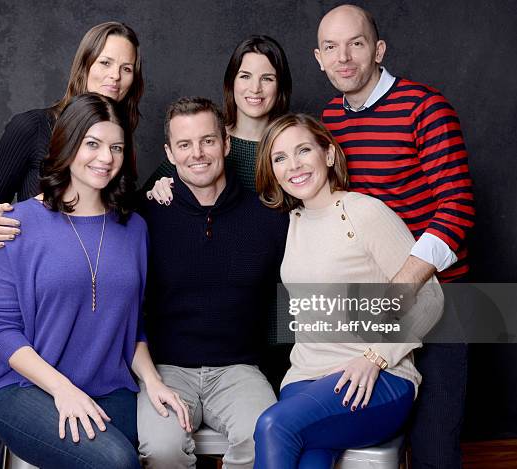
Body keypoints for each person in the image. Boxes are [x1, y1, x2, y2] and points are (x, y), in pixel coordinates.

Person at [0, 22, 144, 469]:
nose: (115, 75)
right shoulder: (31, 129)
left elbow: (119, 237)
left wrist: (165, 188)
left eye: (126, 68)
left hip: (89, 339)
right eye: (105, 63)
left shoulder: (120, 150)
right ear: (83, 64)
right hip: (31, 320)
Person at [0, 93, 188, 469]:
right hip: (27, 390)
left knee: (169, 448)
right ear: (66, 144)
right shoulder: (16, 223)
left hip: (110, 388)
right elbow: (1, 329)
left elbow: (132, 327)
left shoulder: (134, 228)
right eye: (92, 144)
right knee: (115, 461)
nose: (106, 158)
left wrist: (153, 381)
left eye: (116, 147)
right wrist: (63, 390)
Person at [313, 5, 475, 467]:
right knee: (368, 442)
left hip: (440, 301)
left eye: (356, 43)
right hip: (368, 305)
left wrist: (398, 290)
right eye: (331, 47)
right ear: (319, 58)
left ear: (378, 49)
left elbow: (457, 209)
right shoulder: (329, 118)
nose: (344, 57)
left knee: (433, 448)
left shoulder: (426, 107)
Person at [252, 113, 442, 469]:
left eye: (303, 150)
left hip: (377, 380)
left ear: (328, 154)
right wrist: (163, 187)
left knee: (272, 425)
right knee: (309, 460)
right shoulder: (288, 225)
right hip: (305, 380)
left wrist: (375, 357)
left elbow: (431, 298)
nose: (294, 165)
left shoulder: (365, 213)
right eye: (280, 158)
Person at [137, 97, 289, 468]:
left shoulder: (269, 217)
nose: (197, 154)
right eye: (184, 145)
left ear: (226, 144)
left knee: (266, 439)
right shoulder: (146, 216)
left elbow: (312, 276)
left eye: (207, 141)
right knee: (161, 450)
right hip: (166, 370)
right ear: (169, 154)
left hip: (238, 370)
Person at [145, 34, 291, 198]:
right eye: (245, 76)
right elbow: (140, 205)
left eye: (267, 78)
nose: (255, 88)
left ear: (280, 87)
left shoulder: (290, 145)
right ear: (231, 82)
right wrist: (159, 187)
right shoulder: (209, 140)